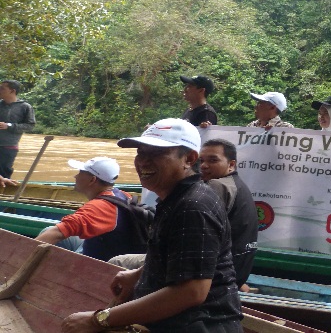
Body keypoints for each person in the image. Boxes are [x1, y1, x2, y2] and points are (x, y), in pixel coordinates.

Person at [61, 118, 241, 333]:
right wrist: (137, 274)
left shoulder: (193, 207)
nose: (144, 162)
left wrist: (98, 319)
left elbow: (191, 291)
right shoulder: (175, 198)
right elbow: (177, 254)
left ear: (189, 159)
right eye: (141, 153)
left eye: (156, 154)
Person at [36, 157, 148, 262]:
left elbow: (56, 233)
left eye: (80, 173)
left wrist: (21, 254)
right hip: (114, 249)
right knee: (51, 230)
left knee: (49, 232)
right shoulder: (121, 194)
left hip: (102, 263)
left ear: (92, 180)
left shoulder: (100, 207)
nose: (75, 176)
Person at [199, 138, 258, 291]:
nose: (204, 166)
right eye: (201, 161)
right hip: (239, 272)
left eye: (213, 160)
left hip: (221, 276)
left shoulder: (217, 185)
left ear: (231, 165)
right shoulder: (237, 184)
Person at [0, 79, 36, 178]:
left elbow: (30, 125)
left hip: (9, 146)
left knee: (4, 174)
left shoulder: (25, 107)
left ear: (12, 91)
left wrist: (9, 126)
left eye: (2, 88)